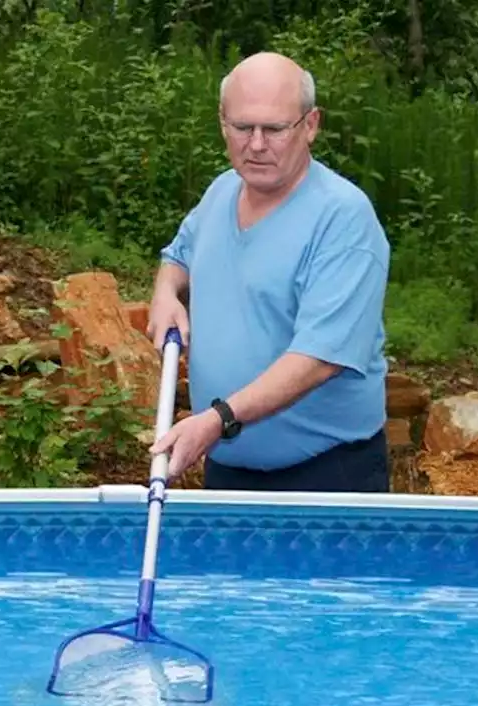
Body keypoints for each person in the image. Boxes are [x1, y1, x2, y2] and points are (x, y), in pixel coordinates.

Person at [144, 51, 393, 493]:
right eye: (242, 127)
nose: (256, 144)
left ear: (311, 125)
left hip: (327, 477)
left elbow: (318, 359)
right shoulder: (222, 191)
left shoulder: (343, 219)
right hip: (227, 464)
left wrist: (219, 418)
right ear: (223, 123)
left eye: (275, 129)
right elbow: (177, 256)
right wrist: (165, 293)